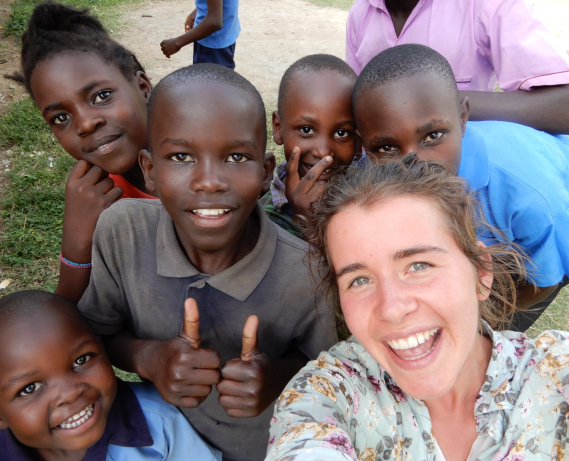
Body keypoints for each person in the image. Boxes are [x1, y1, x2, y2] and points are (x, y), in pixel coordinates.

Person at [266, 155, 569, 460]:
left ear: (480, 272)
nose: (391, 308)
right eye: (359, 280)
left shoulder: (561, 372)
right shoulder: (328, 394)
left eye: (419, 266)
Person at [77, 63, 337, 461]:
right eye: (181, 156)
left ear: (266, 173)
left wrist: (277, 379)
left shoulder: (307, 271)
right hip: (162, 438)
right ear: (149, 170)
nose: (208, 181)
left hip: (262, 448)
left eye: (235, 156)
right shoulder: (122, 233)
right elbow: (95, 337)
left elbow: (326, 370)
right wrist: (149, 358)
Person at [352, 44, 569, 331]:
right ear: (364, 145)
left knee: (483, 334)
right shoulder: (369, 171)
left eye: (432, 136)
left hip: (568, 212)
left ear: (462, 117)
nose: (414, 164)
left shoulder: (528, 195)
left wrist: (480, 320)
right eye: (386, 147)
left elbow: (542, 281)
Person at [15, 2, 156, 304]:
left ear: (142, 86)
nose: (86, 123)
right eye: (60, 118)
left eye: (101, 96)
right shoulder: (96, 204)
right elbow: (65, 320)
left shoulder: (208, 160)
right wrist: (77, 243)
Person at [0, 290, 221, 461]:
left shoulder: (161, 424)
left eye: (81, 360)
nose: (69, 394)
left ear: (103, 349)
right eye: (30, 388)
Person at [345, 0, 569, 135]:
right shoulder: (361, 14)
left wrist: (432, 102)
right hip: (392, 183)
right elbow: (354, 108)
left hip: (471, 187)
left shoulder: (486, 5)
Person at [262, 54, 358, 237]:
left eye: (341, 133)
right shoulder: (265, 221)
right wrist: (307, 218)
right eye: (306, 130)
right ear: (278, 128)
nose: (323, 152)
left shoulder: (369, 192)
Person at [160, 0, 239, 69]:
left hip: (212, 46)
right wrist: (199, 9)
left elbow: (214, 22)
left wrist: (176, 43)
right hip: (224, 35)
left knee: (211, 84)